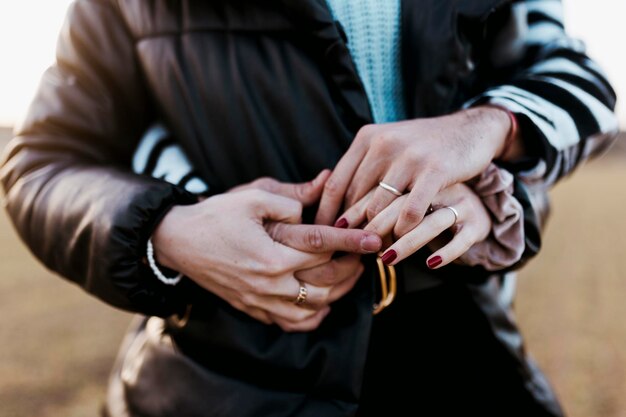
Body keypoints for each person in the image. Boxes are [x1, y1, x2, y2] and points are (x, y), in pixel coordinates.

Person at [0, 0, 617, 416]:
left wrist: (489, 157)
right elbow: (45, 159)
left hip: (473, 364)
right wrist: (170, 231)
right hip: (219, 381)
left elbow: (576, 81)